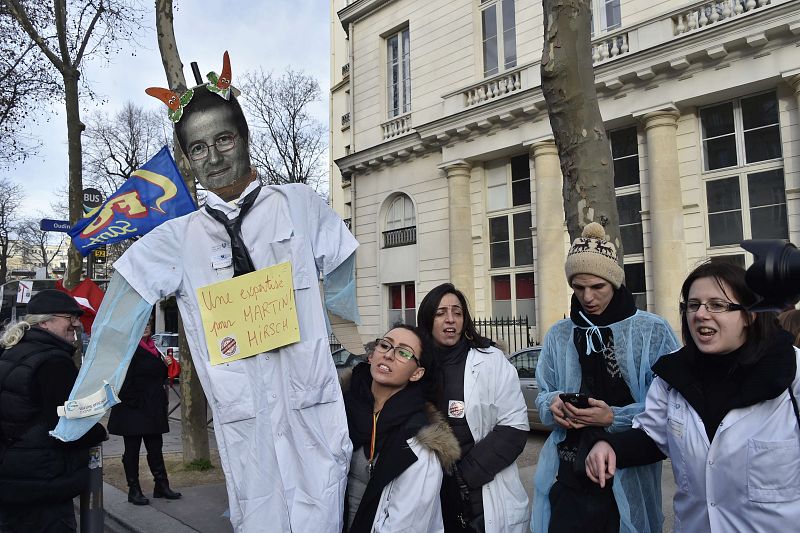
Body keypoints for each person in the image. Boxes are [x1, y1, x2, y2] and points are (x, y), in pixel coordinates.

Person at [52, 52, 360, 532]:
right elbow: (116, 322)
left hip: (311, 410)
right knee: (259, 517)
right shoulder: (178, 239)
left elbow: (345, 277)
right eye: (197, 149)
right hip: (245, 423)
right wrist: (82, 409)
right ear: (187, 158)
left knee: (322, 514)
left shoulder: (300, 205)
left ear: (245, 137)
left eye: (224, 139)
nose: (213, 158)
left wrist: (362, 351)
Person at [585, 261, 800, 531]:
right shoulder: (673, 374)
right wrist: (610, 446)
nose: (701, 314)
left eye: (717, 305)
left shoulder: (792, 373)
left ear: (750, 315)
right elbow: (653, 436)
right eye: (693, 305)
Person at [531, 222, 679, 533]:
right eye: (578, 287)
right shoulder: (559, 334)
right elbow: (543, 393)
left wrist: (613, 417)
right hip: (569, 477)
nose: (587, 297)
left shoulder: (652, 331)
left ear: (615, 282)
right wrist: (554, 403)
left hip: (630, 475)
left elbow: (671, 409)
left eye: (597, 286)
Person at [417, 283, 529, 532]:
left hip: (480, 495)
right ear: (427, 319)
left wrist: (463, 478)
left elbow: (514, 428)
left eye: (457, 312)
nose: (450, 319)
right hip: (428, 494)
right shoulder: (415, 367)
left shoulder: (491, 360)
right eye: (440, 313)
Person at [0, 290, 107, 532]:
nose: (76, 324)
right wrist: (98, 431)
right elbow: (65, 428)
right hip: (42, 480)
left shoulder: (13, 351)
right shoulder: (53, 361)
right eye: (70, 318)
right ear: (45, 322)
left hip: (13, 476)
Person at [343, 324, 459, 532]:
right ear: (371, 356)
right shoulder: (339, 409)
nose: (389, 355)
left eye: (403, 353)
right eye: (385, 345)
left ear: (417, 373)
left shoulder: (419, 443)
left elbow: (406, 526)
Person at [107, 320, 181, 505]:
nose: (146, 326)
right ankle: (134, 490)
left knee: (155, 448)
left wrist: (166, 365)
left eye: (148, 323)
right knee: (132, 451)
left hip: (152, 408)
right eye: (142, 323)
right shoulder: (128, 349)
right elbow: (122, 380)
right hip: (134, 409)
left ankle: (161, 485)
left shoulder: (154, 349)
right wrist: (136, 401)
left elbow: (157, 376)